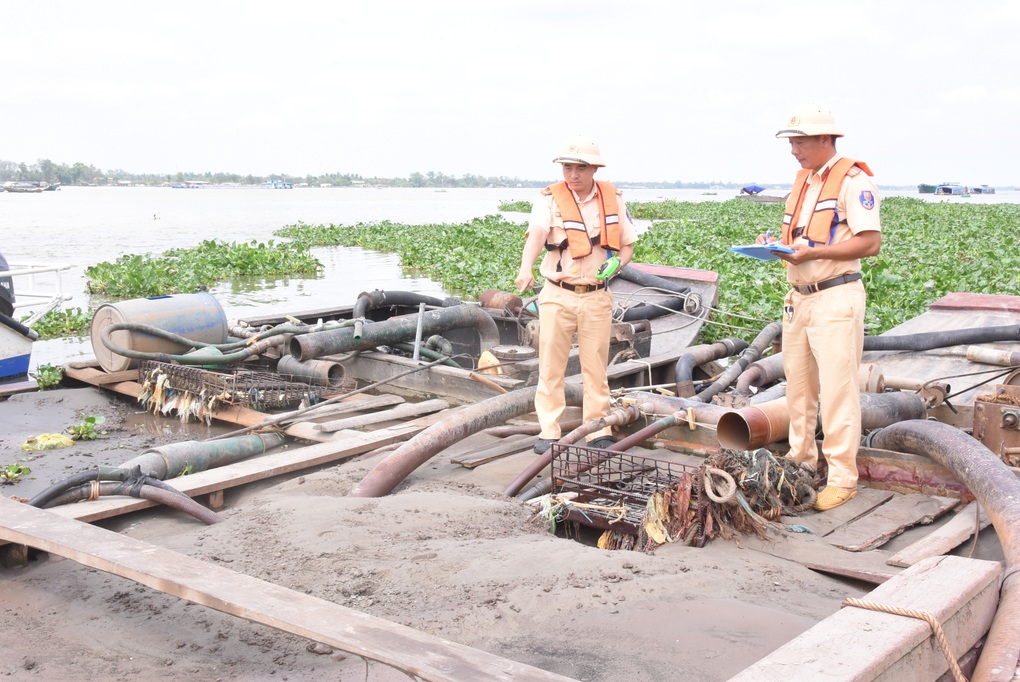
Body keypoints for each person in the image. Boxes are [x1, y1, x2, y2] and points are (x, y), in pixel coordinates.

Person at [764, 105, 882, 512]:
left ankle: (843, 478)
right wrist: (775, 246)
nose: (793, 150)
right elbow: (803, 239)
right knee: (798, 388)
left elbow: (870, 242)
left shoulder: (854, 182)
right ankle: (800, 460)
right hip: (799, 298)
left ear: (825, 140)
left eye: (800, 143)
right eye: (791, 143)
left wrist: (814, 253)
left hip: (835, 296)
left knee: (837, 391)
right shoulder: (805, 182)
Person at [515, 135, 637, 455]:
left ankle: (598, 430)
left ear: (595, 168)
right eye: (567, 167)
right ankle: (549, 431)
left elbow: (627, 246)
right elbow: (537, 234)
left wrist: (617, 264)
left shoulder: (614, 199)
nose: (573, 174)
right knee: (550, 367)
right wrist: (526, 268)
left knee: (595, 368)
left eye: (580, 168)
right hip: (558, 295)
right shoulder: (548, 199)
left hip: (596, 295)